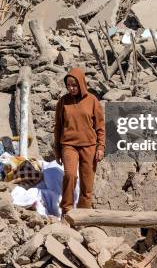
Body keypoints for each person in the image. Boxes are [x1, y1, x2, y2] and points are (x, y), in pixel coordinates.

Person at [54, 68, 105, 216]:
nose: (71, 88)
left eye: (74, 85)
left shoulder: (92, 101)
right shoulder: (63, 102)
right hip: (68, 145)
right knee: (70, 175)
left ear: (81, 84)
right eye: (68, 85)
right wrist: (57, 150)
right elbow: (58, 127)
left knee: (87, 184)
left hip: (89, 146)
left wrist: (100, 147)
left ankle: (83, 215)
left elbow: (100, 126)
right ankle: (67, 210)